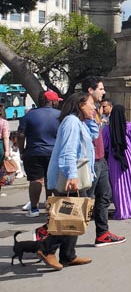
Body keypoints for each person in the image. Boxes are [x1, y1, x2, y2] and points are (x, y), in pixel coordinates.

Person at [37, 92, 95, 271]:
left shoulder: (79, 122)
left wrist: (93, 118)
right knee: (68, 215)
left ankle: (68, 255)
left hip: (76, 177)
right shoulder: (71, 122)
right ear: (80, 105)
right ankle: (47, 249)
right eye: (91, 104)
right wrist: (72, 174)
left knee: (77, 215)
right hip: (69, 178)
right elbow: (68, 150)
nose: (94, 107)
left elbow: (94, 136)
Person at [81, 76, 125, 247]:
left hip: (101, 160)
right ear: (91, 91)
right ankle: (51, 235)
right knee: (82, 202)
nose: (104, 91)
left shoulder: (96, 110)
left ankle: (102, 234)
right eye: (101, 88)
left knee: (104, 197)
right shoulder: (83, 110)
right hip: (89, 162)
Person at [17, 90, 61, 218]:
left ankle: (35, 208)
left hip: (34, 151)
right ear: (52, 102)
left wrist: (21, 150)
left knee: (36, 180)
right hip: (54, 152)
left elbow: (20, 135)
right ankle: (50, 205)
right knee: (51, 180)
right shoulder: (60, 115)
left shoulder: (29, 115)